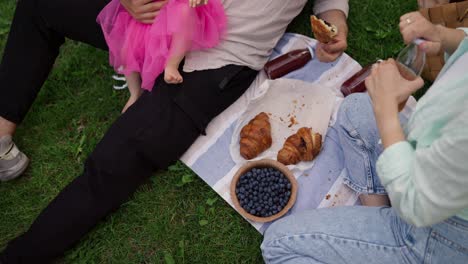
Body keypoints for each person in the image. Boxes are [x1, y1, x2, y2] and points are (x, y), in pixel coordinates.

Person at [0, 0, 350, 262]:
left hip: (218, 56)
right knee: (41, 4)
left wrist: (335, 22)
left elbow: (332, 4)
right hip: (157, 18)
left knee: (118, 158)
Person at [261, 11, 468, 264]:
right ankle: (378, 224)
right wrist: (443, 36)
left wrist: (387, 114)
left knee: (278, 244)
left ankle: (395, 244)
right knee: (356, 108)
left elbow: (418, 204)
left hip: (439, 233)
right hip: (439, 171)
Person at [97, 0, 226, 112]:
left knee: (185, 14)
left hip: (175, 7)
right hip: (150, 15)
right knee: (126, 50)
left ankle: (172, 64)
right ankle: (135, 92)